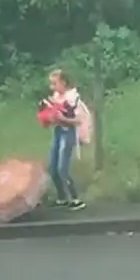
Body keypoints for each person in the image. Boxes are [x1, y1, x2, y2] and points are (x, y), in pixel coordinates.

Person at [46, 69, 86, 210]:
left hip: (68, 132)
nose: (52, 87)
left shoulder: (72, 98)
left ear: (63, 83)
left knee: (62, 167)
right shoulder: (56, 96)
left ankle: (75, 198)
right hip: (58, 131)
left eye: (54, 84)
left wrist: (63, 119)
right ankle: (61, 197)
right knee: (52, 166)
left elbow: (78, 119)